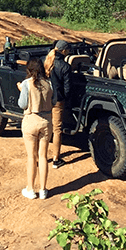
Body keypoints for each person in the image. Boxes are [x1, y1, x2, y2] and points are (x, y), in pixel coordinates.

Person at [17, 57, 53, 200]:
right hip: (46, 121)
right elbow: (54, 100)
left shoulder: (27, 83)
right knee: (43, 156)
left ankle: (30, 189)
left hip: (31, 120)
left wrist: (21, 89)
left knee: (32, 156)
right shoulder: (49, 83)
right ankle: (43, 190)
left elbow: (22, 104)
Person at [45, 40, 72, 169]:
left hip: (45, 101)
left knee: (44, 129)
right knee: (57, 130)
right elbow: (67, 89)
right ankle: (56, 159)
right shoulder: (65, 67)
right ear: (64, 51)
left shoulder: (47, 62)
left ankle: (41, 157)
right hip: (57, 101)